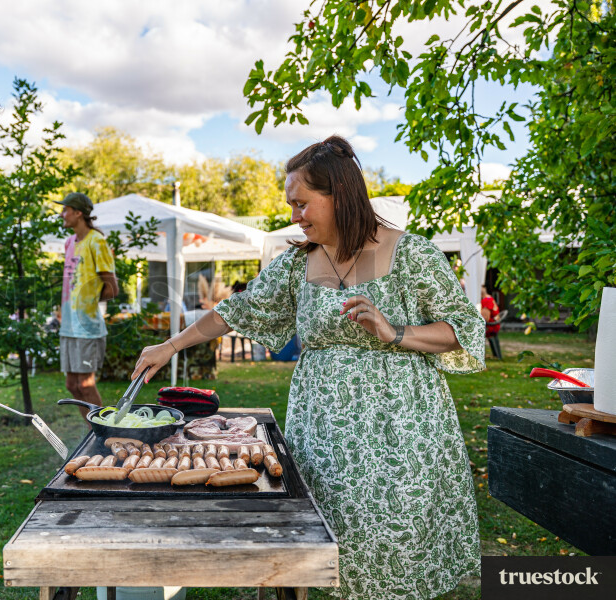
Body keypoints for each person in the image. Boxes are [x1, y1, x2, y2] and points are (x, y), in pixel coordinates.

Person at [132, 136, 486, 600]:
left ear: (338, 195)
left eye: (301, 204)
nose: (294, 216)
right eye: (291, 205)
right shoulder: (299, 263)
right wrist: (170, 345)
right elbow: (235, 311)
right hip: (323, 435)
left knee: (395, 543)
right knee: (324, 543)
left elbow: (464, 329)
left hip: (402, 434)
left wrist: (395, 331)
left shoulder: (412, 254)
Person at [56, 192, 117, 416]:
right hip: (69, 325)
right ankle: (94, 432)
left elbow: (112, 287)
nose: (62, 214)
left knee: (85, 384)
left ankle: (105, 435)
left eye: (65, 210)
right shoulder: (69, 242)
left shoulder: (96, 241)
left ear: (78, 213)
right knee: (72, 385)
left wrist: (88, 301)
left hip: (87, 326)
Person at [481, 285, 503, 359]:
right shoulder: (489, 297)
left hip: (491, 327)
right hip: (493, 325)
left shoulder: (486, 300)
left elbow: (485, 318)